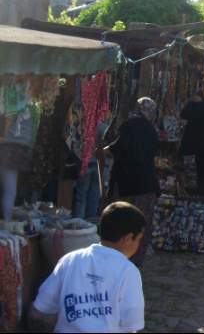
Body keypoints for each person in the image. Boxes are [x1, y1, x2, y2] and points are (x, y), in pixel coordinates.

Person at [30, 202, 147, 333]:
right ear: (129, 238)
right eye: (139, 239)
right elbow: (131, 324)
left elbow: (42, 305)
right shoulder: (128, 271)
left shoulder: (70, 259)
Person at [103, 98, 160, 268]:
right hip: (146, 182)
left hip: (126, 180)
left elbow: (122, 145)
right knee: (141, 223)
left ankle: (116, 258)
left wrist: (104, 151)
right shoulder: (152, 130)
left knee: (120, 220)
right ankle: (135, 260)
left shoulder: (129, 125)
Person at [0, 109, 35, 220]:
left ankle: (6, 222)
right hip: (14, 148)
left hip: (10, 147)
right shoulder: (25, 108)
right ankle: (6, 223)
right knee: (9, 191)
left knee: (9, 190)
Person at [74, 123, 109, 219]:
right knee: (94, 199)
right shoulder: (103, 127)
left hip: (86, 164)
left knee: (81, 198)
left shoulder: (84, 124)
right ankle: (90, 226)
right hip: (100, 166)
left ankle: (78, 225)